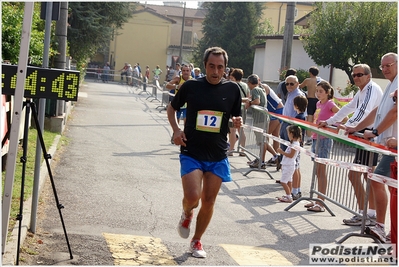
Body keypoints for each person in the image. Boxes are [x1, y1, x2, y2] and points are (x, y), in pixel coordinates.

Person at [167, 46, 242, 258]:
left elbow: (236, 118)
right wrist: (176, 130)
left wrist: (238, 122)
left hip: (217, 154)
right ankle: (187, 212)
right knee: (193, 197)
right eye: (211, 66)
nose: (215, 71)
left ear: (226, 68)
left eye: (220, 67)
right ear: (205, 66)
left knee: (209, 201)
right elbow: (172, 107)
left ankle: (196, 240)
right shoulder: (191, 86)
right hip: (192, 150)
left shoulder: (233, 90)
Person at [318, 64, 383, 225]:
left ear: (368, 76)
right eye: (354, 75)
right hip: (365, 136)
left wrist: (349, 126)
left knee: (356, 175)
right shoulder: (362, 91)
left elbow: (364, 112)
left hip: (368, 137)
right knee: (369, 177)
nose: (356, 77)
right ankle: (370, 214)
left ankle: (365, 214)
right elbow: (348, 108)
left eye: (360, 74)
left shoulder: (371, 89)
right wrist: (330, 121)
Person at [346, 52, 398, 243]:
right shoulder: (390, 85)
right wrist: (357, 127)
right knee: (388, 186)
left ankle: (381, 227)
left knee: (377, 179)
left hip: (393, 147)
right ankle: (389, 231)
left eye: (389, 65)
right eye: (382, 66)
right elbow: (378, 111)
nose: (385, 69)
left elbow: (395, 112)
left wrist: (375, 132)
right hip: (387, 146)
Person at [305, 81, 343, 212]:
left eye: (321, 91)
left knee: (322, 171)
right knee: (317, 170)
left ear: (327, 92)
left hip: (325, 139)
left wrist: (334, 126)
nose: (318, 93)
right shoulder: (318, 103)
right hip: (316, 138)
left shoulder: (330, 104)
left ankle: (321, 202)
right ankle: (317, 198)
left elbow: (343, 116)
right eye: (317, 91)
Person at [245, 74, 268, 168]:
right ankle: (260, 159)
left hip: (260, 118)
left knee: (261, 140)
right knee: (262, 140)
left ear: (250, 83)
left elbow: (257, 101)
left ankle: (261, 161)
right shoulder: (261, 89)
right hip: (263, 118)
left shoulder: (255, 90)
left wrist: (250, 103)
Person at [276, 125, 302, 203]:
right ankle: (289, 195)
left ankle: (288, 197)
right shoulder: (294, 143)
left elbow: (291, 155)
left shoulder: (295, 145)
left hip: (289, 165)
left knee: (283, 181)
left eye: (288, 133)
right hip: (288, 164)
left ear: (292, 134)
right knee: (289, 181)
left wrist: (282, 152)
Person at [227, 68, 249, 157]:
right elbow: (248, 97)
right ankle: (242, 150)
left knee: (232, 130)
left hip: (234, 109)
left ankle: (231, 149)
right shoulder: (245, 85)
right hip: (243, 109)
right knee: (241, 130)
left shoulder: (232, 85)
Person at [299, 66, 323, 145]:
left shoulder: (308, 80)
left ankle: (309, 138)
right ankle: (315, 136)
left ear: (310, 73)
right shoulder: (320, 81)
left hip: (310, 100)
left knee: (309, 119)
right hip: (318, 101)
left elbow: (300, 86)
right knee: (316, 118)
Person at [291, 95, 308, 200]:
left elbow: (297, 133)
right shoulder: (303, 116)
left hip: (296, 144)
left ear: (296, 105)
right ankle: (297, 189)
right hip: (299, 144)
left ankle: (295, 190)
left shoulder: (299, 118)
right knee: (297, 167)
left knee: (295, 167)